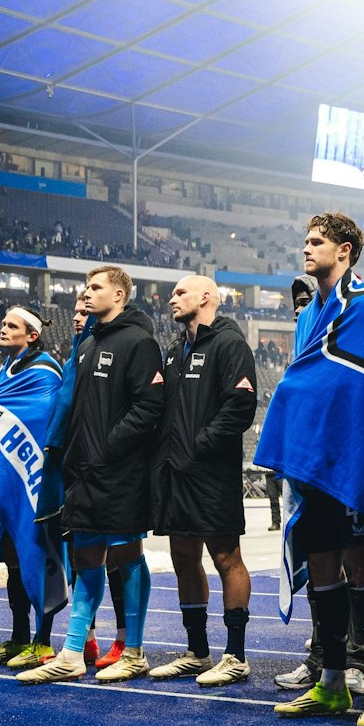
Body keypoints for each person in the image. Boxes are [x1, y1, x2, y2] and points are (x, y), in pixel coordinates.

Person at [255, 214, 364, 726]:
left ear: (344, 251)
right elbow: (310, 378)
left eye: (316, 242)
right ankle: (334, 682)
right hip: (314, 461)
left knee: (363, 568)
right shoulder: (307, 314)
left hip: (352, 457)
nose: (306, 248)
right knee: (322, 568)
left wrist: (296, 398)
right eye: (305, 241)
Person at [18, 266, 164, 685]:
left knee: (125, 555)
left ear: (119, 294)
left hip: (119, 472)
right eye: (85, 287)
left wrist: (106, 449)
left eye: (95, 287)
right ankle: (71, 652)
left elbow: (149, 408)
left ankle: (134, 651)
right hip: (81, 472)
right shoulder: (86, 342)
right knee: (86, 560)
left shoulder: (139, 341)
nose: (86, 294)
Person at [151, 275, 260, 686]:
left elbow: (239, 408)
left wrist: (198, 448)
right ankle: (197, 652)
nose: (172, 299)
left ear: (206, 297)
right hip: (176, 474)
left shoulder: (229, 344)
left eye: (181, 293)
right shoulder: (174, 353)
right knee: (183, 558)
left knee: (226, 557)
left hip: (212, 472)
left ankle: (236, 655)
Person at [0, 307, 66, 669]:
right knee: (11, 561)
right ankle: (19, 637)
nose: (3, 329)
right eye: (3, 323)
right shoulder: (0, 372)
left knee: (34, 554)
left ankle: (43, 641)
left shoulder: (46, 371)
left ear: (32, 335)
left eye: (12, 326)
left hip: (32, 475)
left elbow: (41, 416)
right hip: (3, 478)